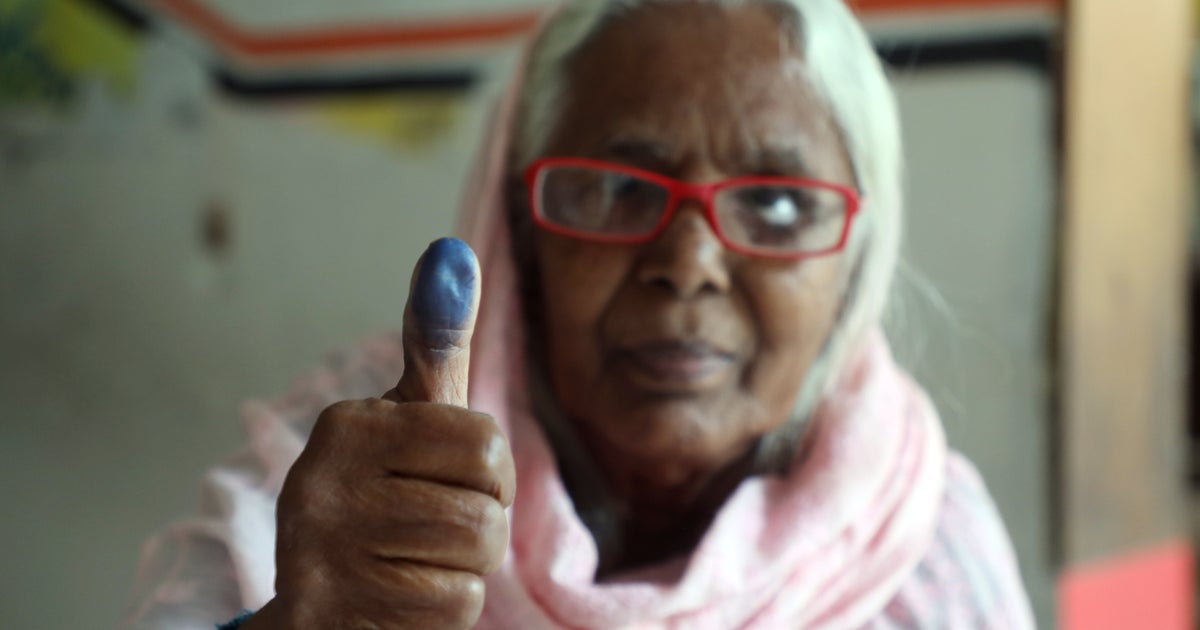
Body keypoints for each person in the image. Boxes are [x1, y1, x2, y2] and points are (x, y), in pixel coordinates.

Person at [124, 0, 1035, 628]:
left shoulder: (916, 544)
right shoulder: (362, 468)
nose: (689, 265)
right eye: (610, 188)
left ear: (856, 260)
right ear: (520, 232)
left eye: (781, 204)